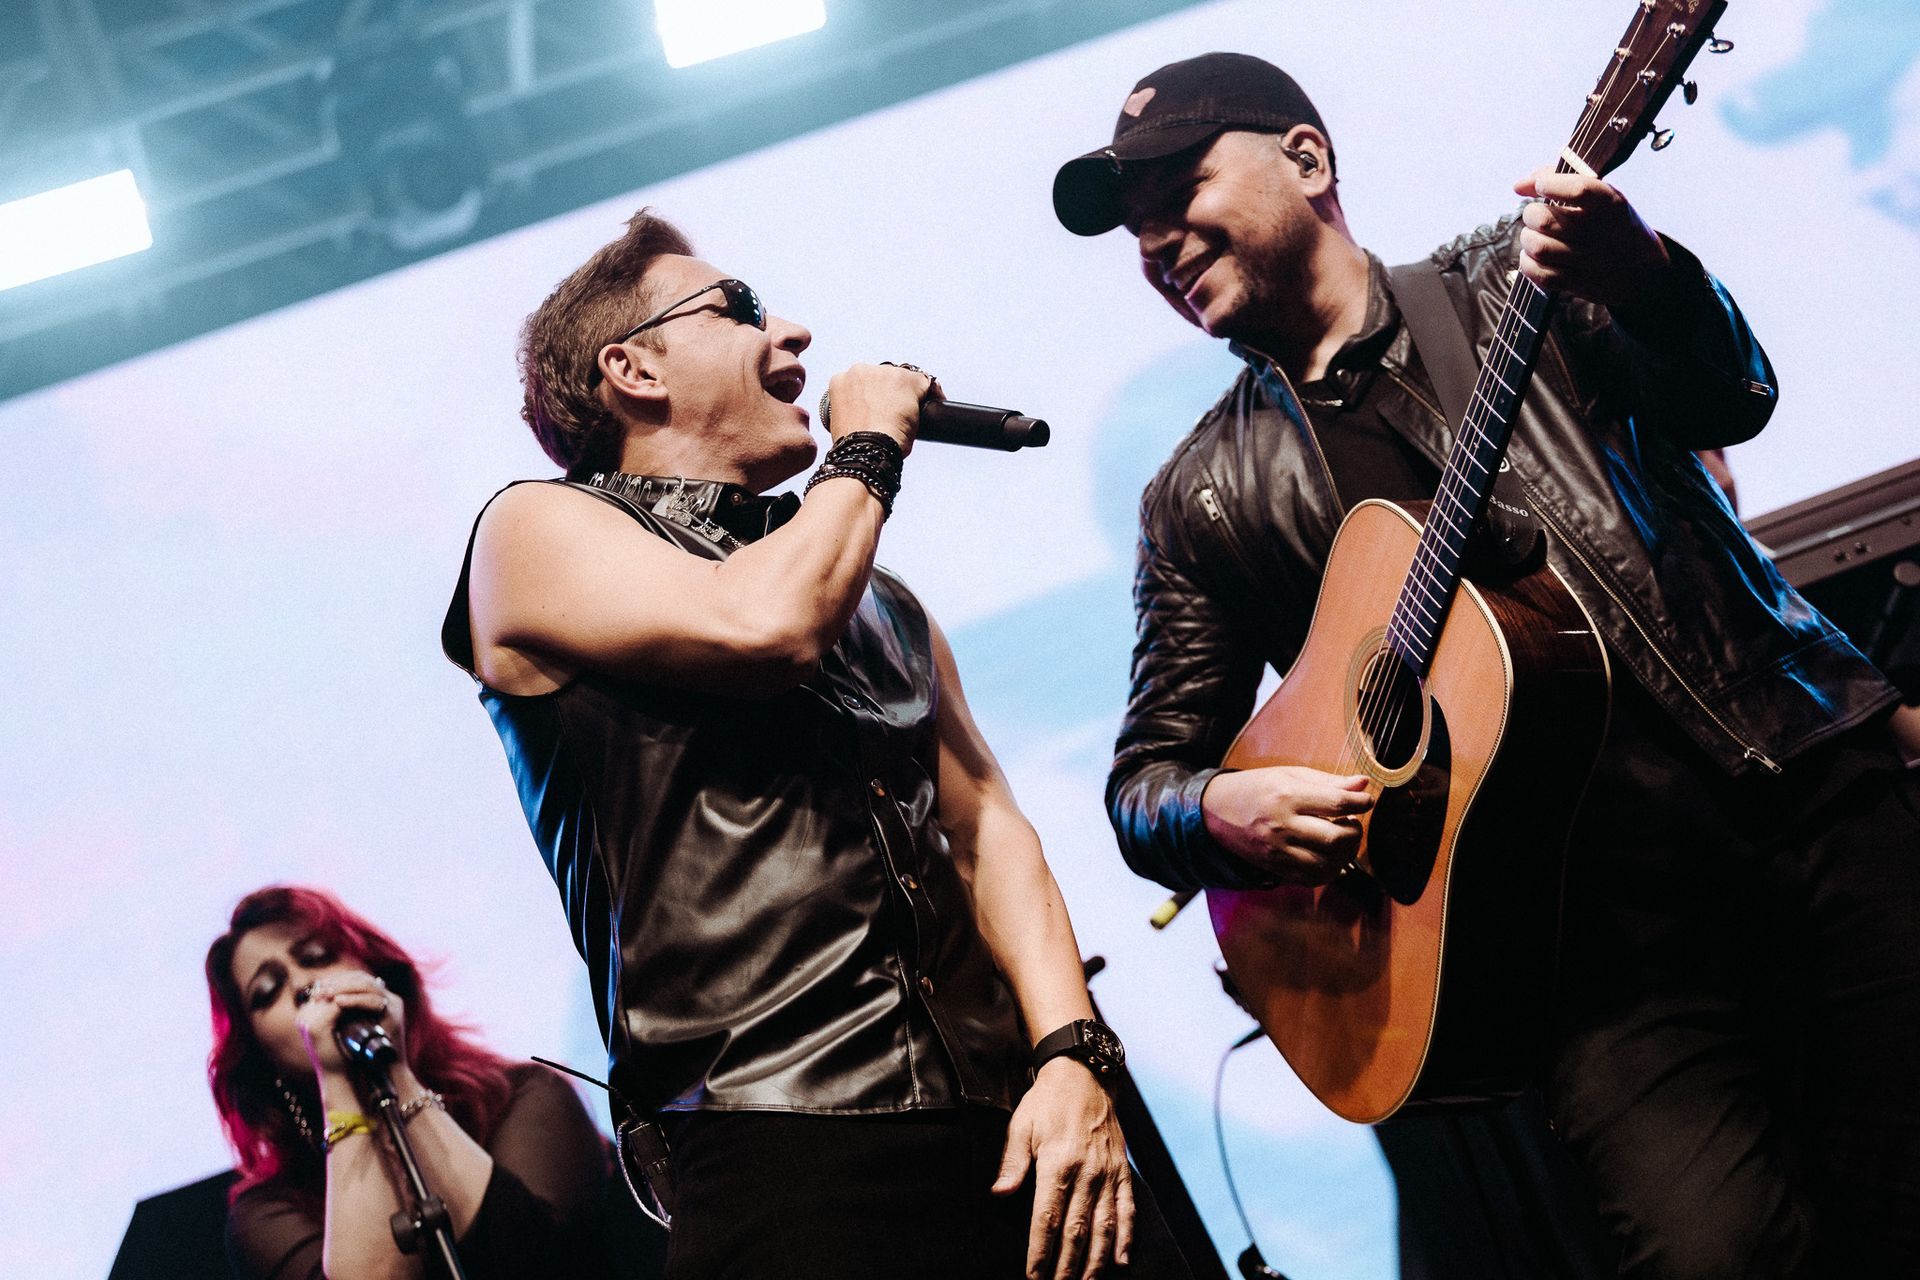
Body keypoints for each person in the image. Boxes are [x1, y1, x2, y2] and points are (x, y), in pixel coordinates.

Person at [1054, 52, 1920, 1279]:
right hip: (1588, 959)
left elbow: (1732, 394)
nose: (1154, 237)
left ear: (1308, 160)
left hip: (1811, 814)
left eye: (1177, 186)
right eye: (1133, 224)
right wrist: (1216, 808)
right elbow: (1147, 780)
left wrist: (1656, 282)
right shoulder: (1201, 495)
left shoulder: (1524, 281)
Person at [440, 210, 1191, 1280]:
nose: (791, 332)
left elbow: (988, 826)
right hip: (781, 1132)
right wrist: (869, 443)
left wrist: (1073, 1054)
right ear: (633, 366)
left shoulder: (876, 597)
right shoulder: (531, 530)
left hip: (1014, 1113)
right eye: (740, 308)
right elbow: (764, 626)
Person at [205, 884, 639, 1280]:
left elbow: (534, 1259)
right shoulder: (266, 1213)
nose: (304, 984)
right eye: (267, 991)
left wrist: (395, 1074)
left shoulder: (523, 1095)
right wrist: (338, 1084)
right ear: (262, 1060)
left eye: (317, 955)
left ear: (377, 972)